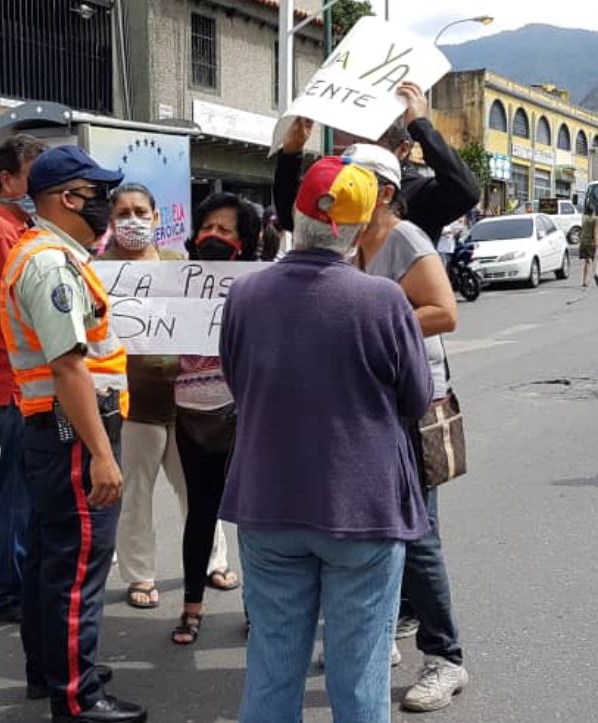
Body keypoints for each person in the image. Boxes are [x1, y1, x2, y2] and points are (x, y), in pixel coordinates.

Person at [220, 155, 432, 723]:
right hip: (362, 506)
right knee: (358, 671)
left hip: (267, 502)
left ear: (294, 216)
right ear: (361, 228)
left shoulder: (245, 296)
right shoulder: (383, 301)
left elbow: (239, 381)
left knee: (272, 665)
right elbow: (416, 399)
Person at [2, 145, 144, 723]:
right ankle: (77, 699)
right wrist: (103, 454)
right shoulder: (50, 263)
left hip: (56, 432)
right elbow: (68, 366)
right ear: (68, 198)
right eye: (99, 194)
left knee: (50, 559)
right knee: (78, 567)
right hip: (74, 435)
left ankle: (54, 672)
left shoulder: (51, 253)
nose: (108, 206)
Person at [342, 144, 469, 712]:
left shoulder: (406, 240)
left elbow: (444, 311)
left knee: (418, 534)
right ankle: (384, 631)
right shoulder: (350, 243)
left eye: (355, 181)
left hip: (413, 403)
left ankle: (446, 659)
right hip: (367, 399)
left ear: (385, 192)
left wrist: (377, 319)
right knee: (377, 526)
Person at [101, 183, 229, 611]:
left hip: (190, 404)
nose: (132, 219)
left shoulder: (181, 265)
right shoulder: (100, 271)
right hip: (134, 404)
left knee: (199, 489)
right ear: (111, 220)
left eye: (140, 211)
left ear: (157, 219)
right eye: (123, 213)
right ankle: (140, 574)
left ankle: (213, 560)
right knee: (136, 494)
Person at [170, 191, 259, 646]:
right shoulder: (174, 282)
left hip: (242, 416)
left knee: (250, 516)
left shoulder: (258, 285)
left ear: (243, 240)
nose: (213, 236)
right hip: (190, 418)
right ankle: (191, 607)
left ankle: (255, 609)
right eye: (207, 227)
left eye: (225, 230)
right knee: (200, 514)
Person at [0, 133, 48, 624]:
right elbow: (22, 307)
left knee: (26, 491)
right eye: (32, 177)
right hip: (17, 380)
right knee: (20, 494)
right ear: (7, 179)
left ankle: (18, 587)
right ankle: (13, 591)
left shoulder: (16, 225)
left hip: (22, 378)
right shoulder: (0, 231)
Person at [274, 81, 480, 244]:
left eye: (373, 142)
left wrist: (421, 127)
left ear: (403, 149)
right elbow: (292, 219)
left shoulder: (419, 193)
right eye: (358, 139)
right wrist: (291, 153)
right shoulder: (344, 184)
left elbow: (466, 191)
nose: (360, 148)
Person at [579, 203, 598, 288]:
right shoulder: (596, 220)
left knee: (587, 262)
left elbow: (582, 232)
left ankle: (585, 281)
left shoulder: (585, 221)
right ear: (594, 211)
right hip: (591, 243)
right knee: (595, 259)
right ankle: (595, 273)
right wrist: (597, 244)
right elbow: (595, 233)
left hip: (583, 243)